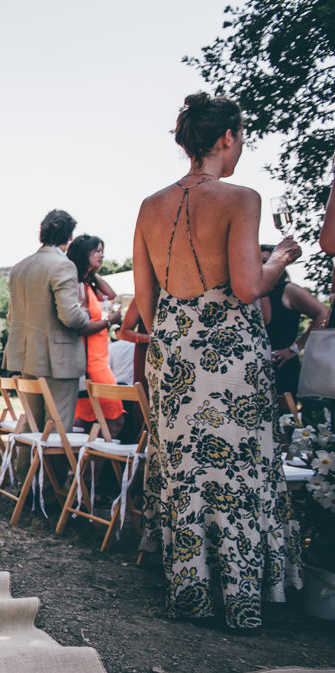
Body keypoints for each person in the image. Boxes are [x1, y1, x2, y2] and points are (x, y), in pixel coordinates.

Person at [132, 91, 302, 630]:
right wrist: (279, 258)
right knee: (238, 472)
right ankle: (243, 597)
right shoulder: (241, 199)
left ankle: (191, 592)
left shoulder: (148, 206)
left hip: (174, 351)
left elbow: (145, 301)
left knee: (188, 471)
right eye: (242, 137)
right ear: (227, 138)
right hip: (228, 353)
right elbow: (249, 287)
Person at [2, 209, 104, 432]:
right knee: (57, 431)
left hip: (27, 356)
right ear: (69, 237)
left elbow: (12, 315)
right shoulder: (63, 266)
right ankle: (53, 470)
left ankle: (25, 469)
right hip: (59, 362)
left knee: (32, 427)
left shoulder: (19, 268)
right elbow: (71, 317)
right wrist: (89, 314)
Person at [67, 234, 125, 434]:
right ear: (84, 253)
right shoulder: (78, 286)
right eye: (96, 250)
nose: (101, 254)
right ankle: (89, 464)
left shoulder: (87, 284)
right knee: (114, 421)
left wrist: (90, 271)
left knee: (87, 422)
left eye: (102, 250)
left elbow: (111, 295)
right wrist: (109, 322)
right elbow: (81, 326)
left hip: (100, 359)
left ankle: (83, 465)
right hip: (93, 364)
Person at [259, 255, 329, 397]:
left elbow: (324, 314)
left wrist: (295, 348)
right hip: (254, 367)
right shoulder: (250, 292)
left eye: (266, 262)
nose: (261, 266)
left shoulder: (288, 290)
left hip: (281, 365)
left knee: (285, 416)